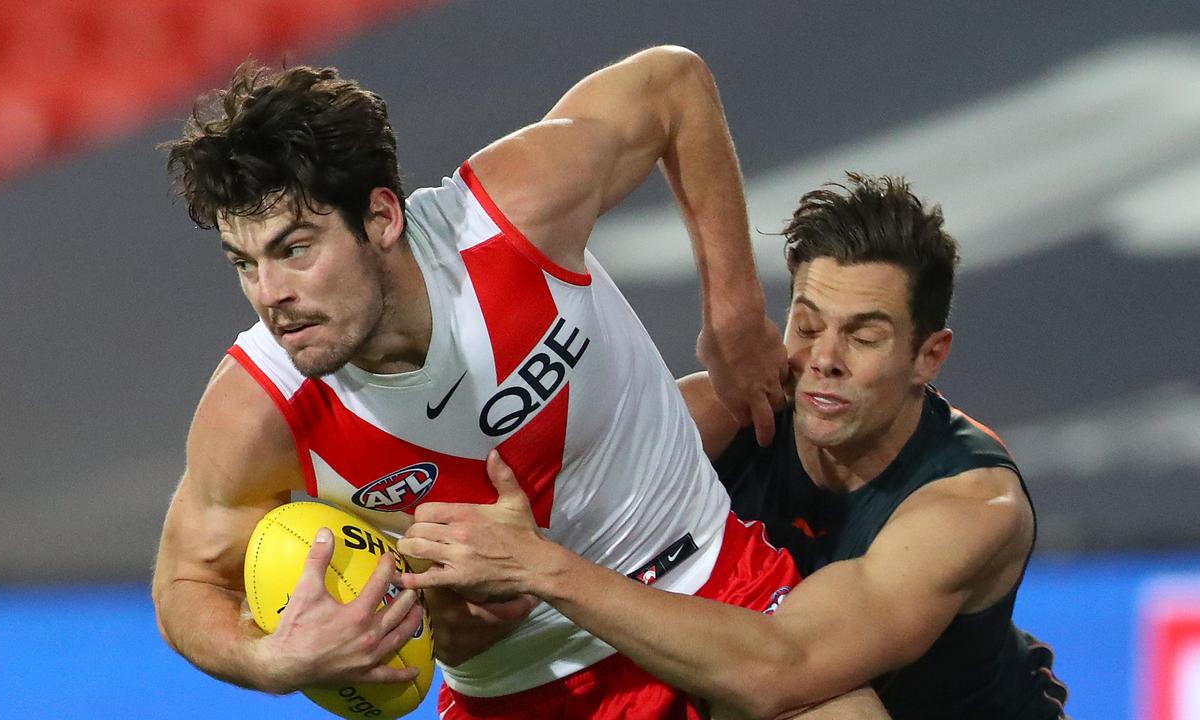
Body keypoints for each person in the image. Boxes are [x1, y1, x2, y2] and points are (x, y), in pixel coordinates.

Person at [150, 46, 839, 720]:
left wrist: (736, 313)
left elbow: (672, 86)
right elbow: (187, 577)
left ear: (382, 218)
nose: (271, 295)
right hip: (521, 692)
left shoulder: (509, 219)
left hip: (713, 591)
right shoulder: (258, 409)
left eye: (294, 249)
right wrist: (273, 664)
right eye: (244, 263)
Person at [398, 173, 1070, 719]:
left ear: (929, 356)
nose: (823, 360)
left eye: (864, 338)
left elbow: (783, 669)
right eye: (807, 325)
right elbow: (513, 522)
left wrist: (540, 568)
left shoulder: (971, 505)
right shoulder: (726, 414)